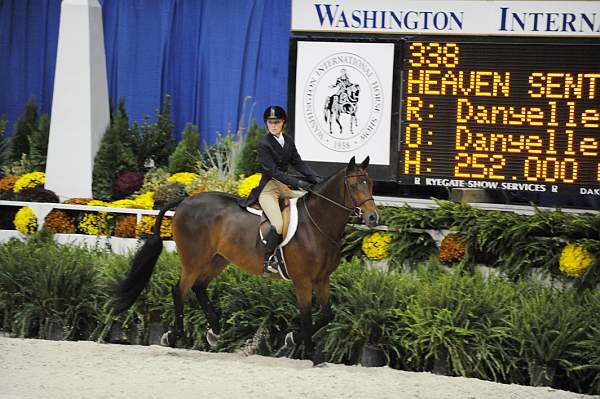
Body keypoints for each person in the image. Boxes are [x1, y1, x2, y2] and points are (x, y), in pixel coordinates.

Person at [239, 105, 320, 277]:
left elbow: (299, 164)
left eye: (276, 122)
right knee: (278, 223)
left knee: (309, 203)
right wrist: (298, 182)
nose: (273, 125)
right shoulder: (264, 144)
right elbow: (273, 172)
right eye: (270, 122)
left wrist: (316, 179)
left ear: (283, 123)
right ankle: (268, 260)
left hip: (283, 187)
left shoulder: (288, 141)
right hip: (269, 189)